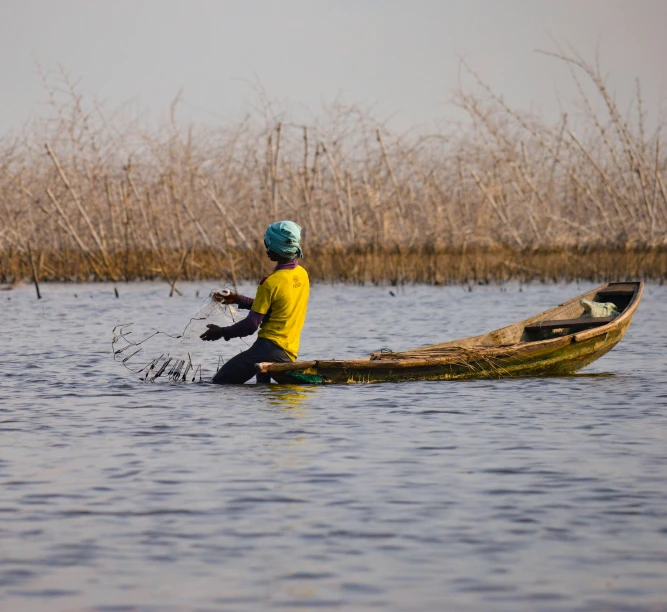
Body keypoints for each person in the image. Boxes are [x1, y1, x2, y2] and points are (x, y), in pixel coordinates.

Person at [200, 220, 310, 384]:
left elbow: (250, 325)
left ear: (277, 247)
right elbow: (276, 309)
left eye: (268, 243)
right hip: (287, 353)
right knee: (263, 395)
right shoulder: (302, 275)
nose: (266, 249)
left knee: (219, 383)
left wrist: (222, 332)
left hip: (266, 350)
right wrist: (238, 299)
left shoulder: (270, 282)